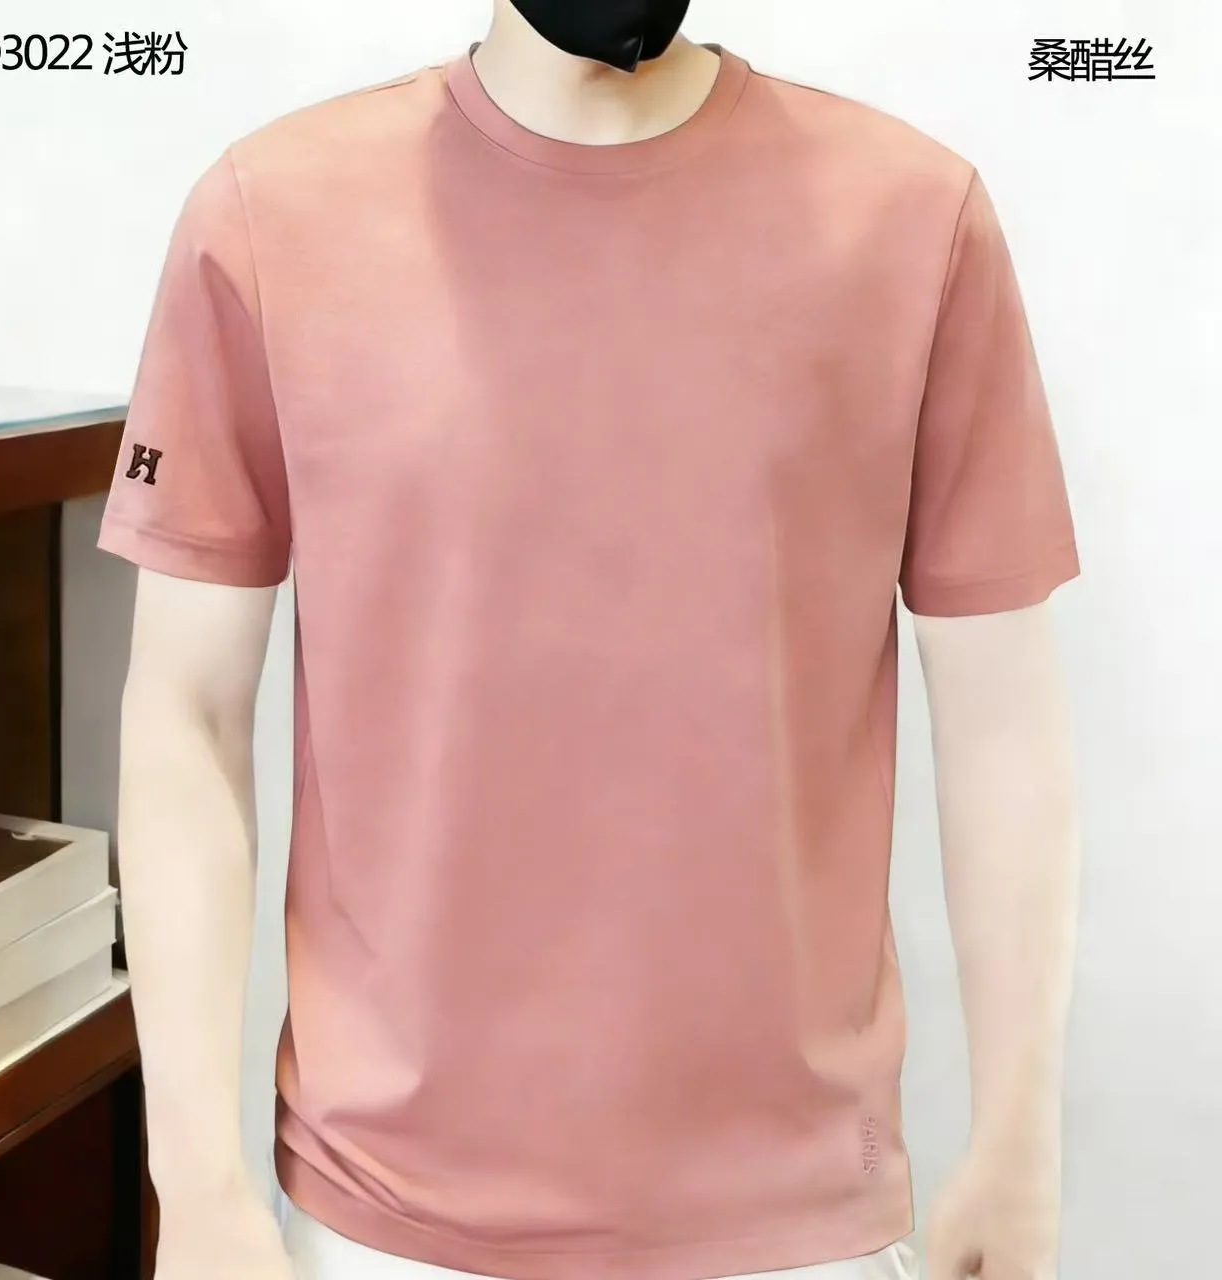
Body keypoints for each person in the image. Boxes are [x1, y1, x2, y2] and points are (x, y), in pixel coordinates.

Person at [97, 2, 1083, 1278]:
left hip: (796, 1218)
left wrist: (1017, 1142)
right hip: (380, 1214)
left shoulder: (911, 218)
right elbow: (185, 711)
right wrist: (195, 1182)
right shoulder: (269, 213)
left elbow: (1002, 718)